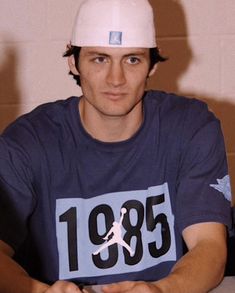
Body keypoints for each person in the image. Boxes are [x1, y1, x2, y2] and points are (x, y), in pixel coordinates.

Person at [0, 0, 232, 292]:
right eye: (100, 59)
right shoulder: (27, 142)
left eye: (132, 59)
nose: (116, 79)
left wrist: (162, 290)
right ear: (74, 61)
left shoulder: (191, 128)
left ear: (151, 64)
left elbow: (209, 246)